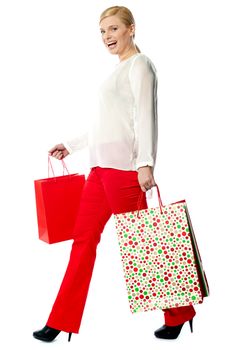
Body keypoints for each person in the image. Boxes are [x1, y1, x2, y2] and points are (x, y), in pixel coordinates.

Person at [33, 5, 196, 343]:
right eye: (102, 31)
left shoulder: (140, 66)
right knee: (82, 243)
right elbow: (104, 127)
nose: (107, 36)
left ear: (131, 29)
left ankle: (179, 313)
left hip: (125, 173)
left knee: (144, 244)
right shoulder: (115, 72)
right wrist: (70, 144)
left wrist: (146, 163)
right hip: (98, 172)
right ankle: (61, 320)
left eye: (113, 29)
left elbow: (146, 116)